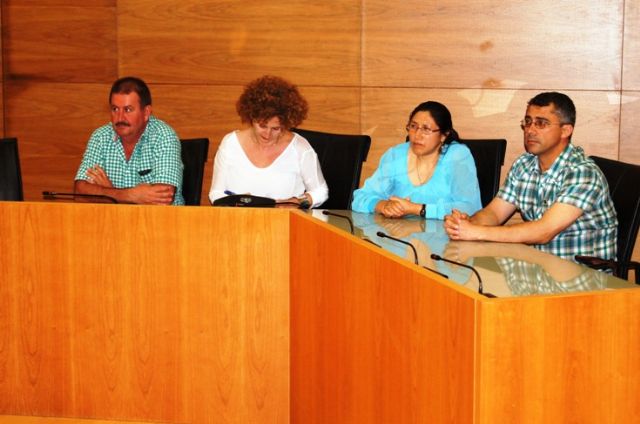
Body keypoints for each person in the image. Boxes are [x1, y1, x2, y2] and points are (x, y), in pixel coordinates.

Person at [444, 92, 617, 262]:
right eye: (528, 122)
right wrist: (468, 223)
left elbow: (543, 232)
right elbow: (494, 213)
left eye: (541, 123)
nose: (530, 130)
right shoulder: (524, 164)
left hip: (579, 274)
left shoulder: (582, 172)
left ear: (565, 130)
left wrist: (476, 232)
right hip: (537, 265)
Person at [208, 75, 328, 207]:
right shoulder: (230, 143)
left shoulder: (300, 147)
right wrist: (233, 201)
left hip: (283, 218)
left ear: (286, 124)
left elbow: (320, 191)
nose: (267, 134)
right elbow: (216, 193)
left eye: (276, 128)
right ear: (251, 118)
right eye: (262, 126)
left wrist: (298, 202)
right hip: (238, 218)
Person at [351, 101, 481, 219]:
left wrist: (418, 209)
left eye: (426, 129)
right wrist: (382, 205)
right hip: (397, 235)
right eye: (413, 126)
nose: (417, 135)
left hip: (445, 235)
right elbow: (360, 198)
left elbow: (470, 207)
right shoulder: (396, 155)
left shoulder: (457, 155)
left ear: (443, 135)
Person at [74, 76, 184, 205]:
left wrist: (109, 193)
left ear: (146, 112)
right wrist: (131, 195)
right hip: (112, 218)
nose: (120, 118)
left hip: (160, 218)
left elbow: (163, 199)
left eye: (128, 110)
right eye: (115, 109)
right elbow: (80, 192)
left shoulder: (163, 137)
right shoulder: (100, 137)